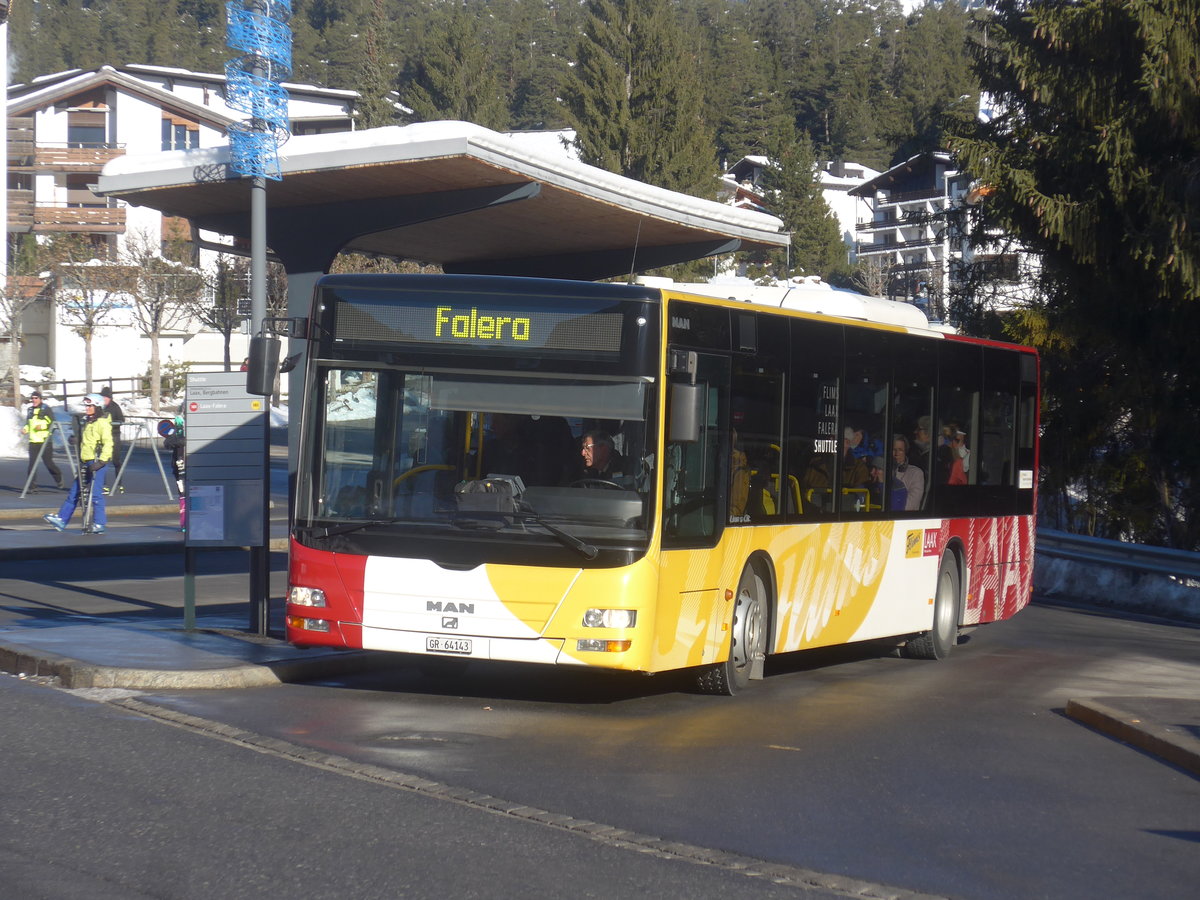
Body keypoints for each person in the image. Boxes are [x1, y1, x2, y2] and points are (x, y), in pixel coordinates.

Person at [44, 395, 113, 534]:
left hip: (96, 461)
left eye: (90, 406)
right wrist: (76, 439)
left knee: (95, 494)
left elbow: (108, 443)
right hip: (85, 460)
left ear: (97, 407)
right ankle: (62, 519)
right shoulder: (88, 421)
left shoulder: (102, 423)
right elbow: (88, 440)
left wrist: (101, 462)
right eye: (86, 406)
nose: (87, 409)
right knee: (75, 490)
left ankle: (99, 524)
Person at [22, 391, 65, 493]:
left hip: (45, 441)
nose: (34, 400)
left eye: (36, 398)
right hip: (33, 441)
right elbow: (28, 423)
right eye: (32, 398)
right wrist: (25, 429)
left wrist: (41, 427)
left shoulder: (46, 409)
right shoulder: (30, 410)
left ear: (40, 399)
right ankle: (32, 486)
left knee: (48, 463)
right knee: (32, 464)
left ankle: (58, 477)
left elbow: (53, 423)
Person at [98, 385, 126, 493]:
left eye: (106, 398)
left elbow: (121, 420)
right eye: (102, 398)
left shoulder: (115, 407)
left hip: (114, 436)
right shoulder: (99, 407)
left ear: (110, 398)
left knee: (116, 460)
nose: (104, 400)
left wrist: (112, 424)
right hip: (103, 437)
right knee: (103, 460)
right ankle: (103, 485)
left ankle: (119, 484)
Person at [891, 434, 925, 511]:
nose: (896, 454)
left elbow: (910, 504)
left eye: (900, 450)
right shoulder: (882, 471)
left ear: (905, 451)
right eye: (893, 449)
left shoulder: (916, 473)